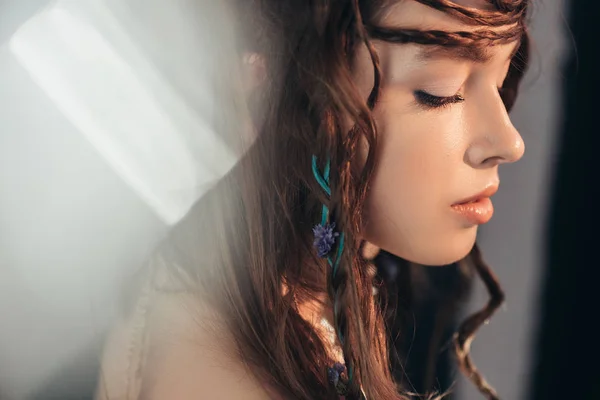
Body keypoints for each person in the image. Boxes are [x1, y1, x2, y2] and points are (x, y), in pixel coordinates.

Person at [96, 0, 530, 399]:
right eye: (441, 90)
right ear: (283, 89)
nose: (509, 142)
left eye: (503, 76)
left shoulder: (314, 287)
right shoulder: (224, 370)